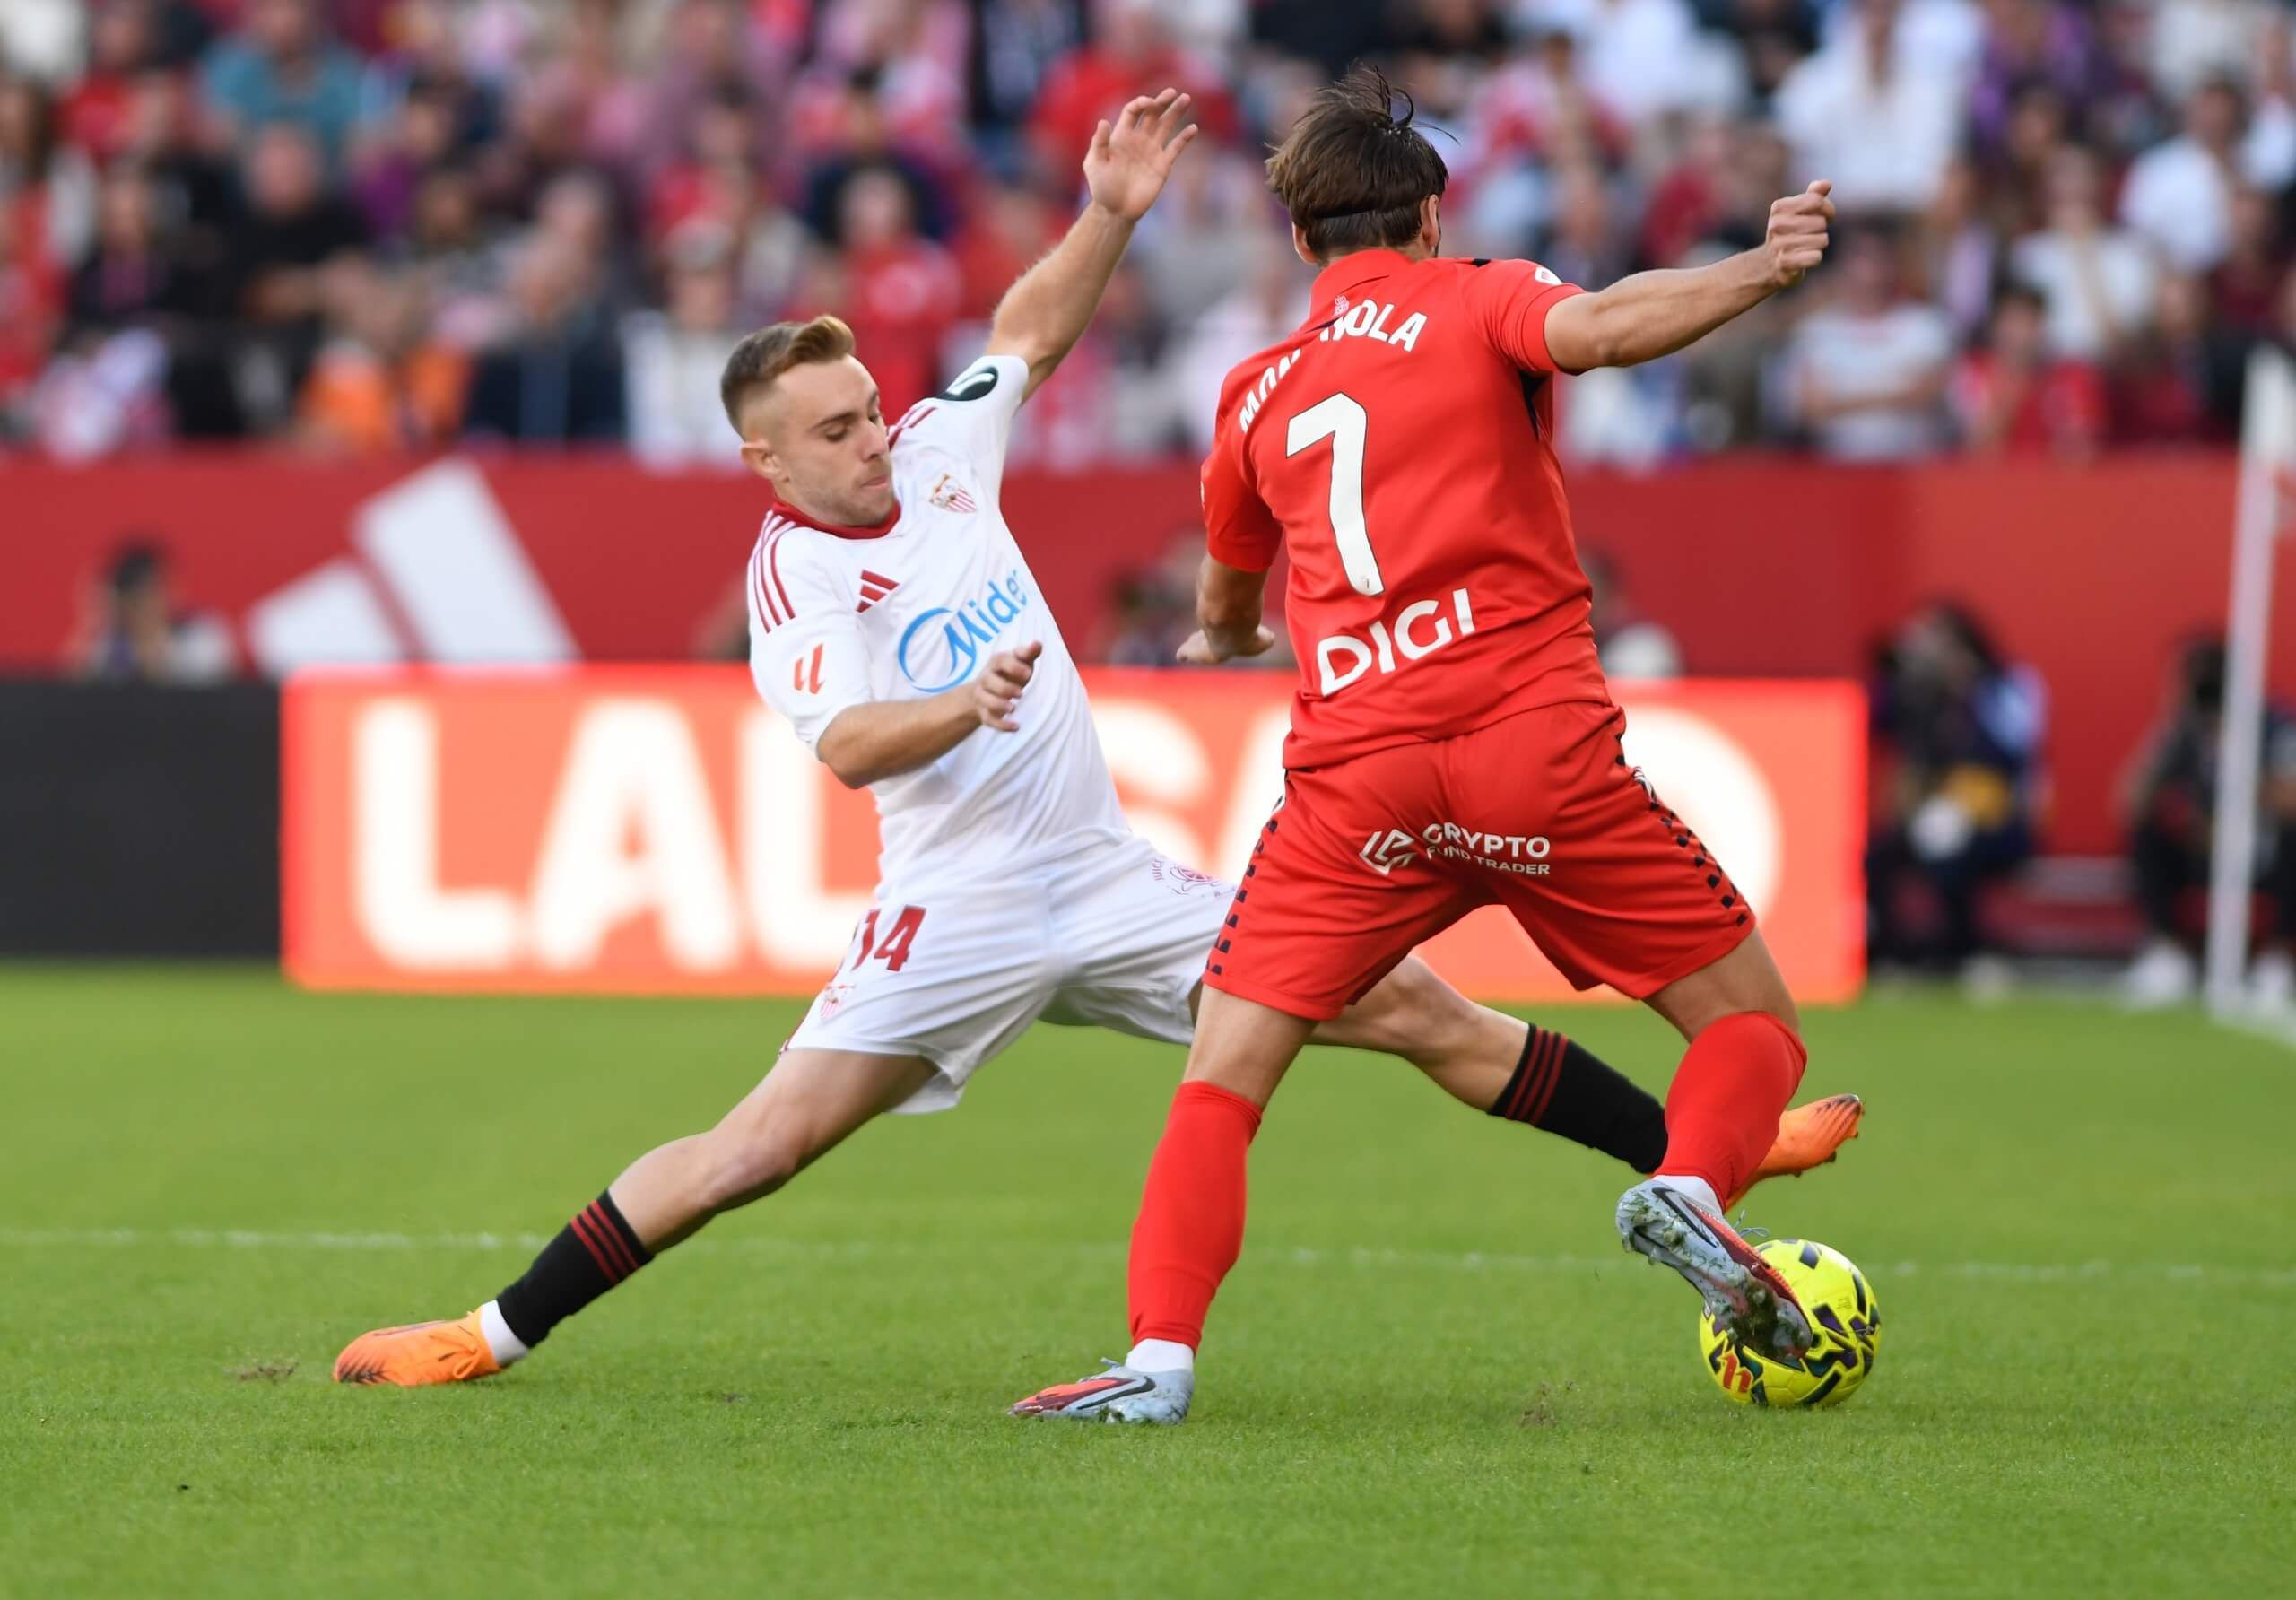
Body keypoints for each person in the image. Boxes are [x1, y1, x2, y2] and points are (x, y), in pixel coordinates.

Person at [332, 91, 1863, 1389]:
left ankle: (1713, 1157)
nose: (875, 435)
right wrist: (964, 704)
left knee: (1419, 1010)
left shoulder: (937, 449)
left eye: (870, 407)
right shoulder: (791, 577)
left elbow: (1026, 333)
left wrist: (1112, 212)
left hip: (1107, 876)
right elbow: (854, 741)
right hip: (961, 904)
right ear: (765, 457)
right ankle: (486, 1330)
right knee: (759, 1145)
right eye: (838, 426)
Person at [1013, 68, 1846, 1425]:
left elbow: (1230, 600)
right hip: (1532, 745)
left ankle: (1156, 1363)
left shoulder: (1252, 393)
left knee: (1221, 1080)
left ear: (1299, 242)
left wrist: (1226, 642)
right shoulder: (1478, 298)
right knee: (1750, 1021)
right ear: (1433, 219)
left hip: (1359, 783)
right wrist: (1755, 268)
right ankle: (1693, 1189)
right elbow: (1606, 329)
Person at [1864, 602, 2047, 973]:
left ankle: (1966, 951)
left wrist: (1968, 693)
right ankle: (1889, 953)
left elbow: (2013, 750)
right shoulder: (1925, 697)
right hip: (1933, 811)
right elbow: (1880, 725)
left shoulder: (2007, 684)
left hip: (1999, 817)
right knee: (1880, 856)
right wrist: (1897, 677)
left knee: (1951, 851)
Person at [2120, 639, 2296, 1010]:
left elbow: (2290, 800)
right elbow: (2129, 800)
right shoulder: (2185, 731)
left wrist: (2244, 772)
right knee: (2148, 833)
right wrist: (2168, 734)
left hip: (2264, 848)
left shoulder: (2275, 724)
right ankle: (2168, 952)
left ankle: (2279, 957)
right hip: (2204, 849)